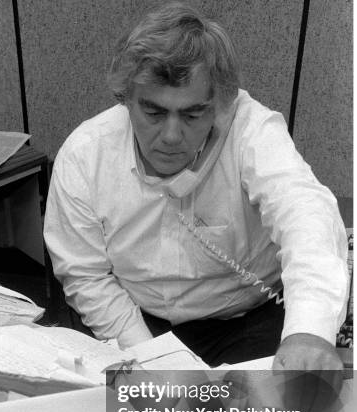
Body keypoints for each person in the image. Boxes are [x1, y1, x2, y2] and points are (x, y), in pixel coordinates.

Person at [44, 1, 348, 371]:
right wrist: (152, 359)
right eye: (153, 112)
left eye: (192, 114)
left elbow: (304, 212)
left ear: (221, 104)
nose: (172, 136)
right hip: (135, 321)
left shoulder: (250, 129)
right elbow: (85, 274)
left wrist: (309, 332)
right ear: (126, 98)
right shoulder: (85, 155)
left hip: (246, 320)